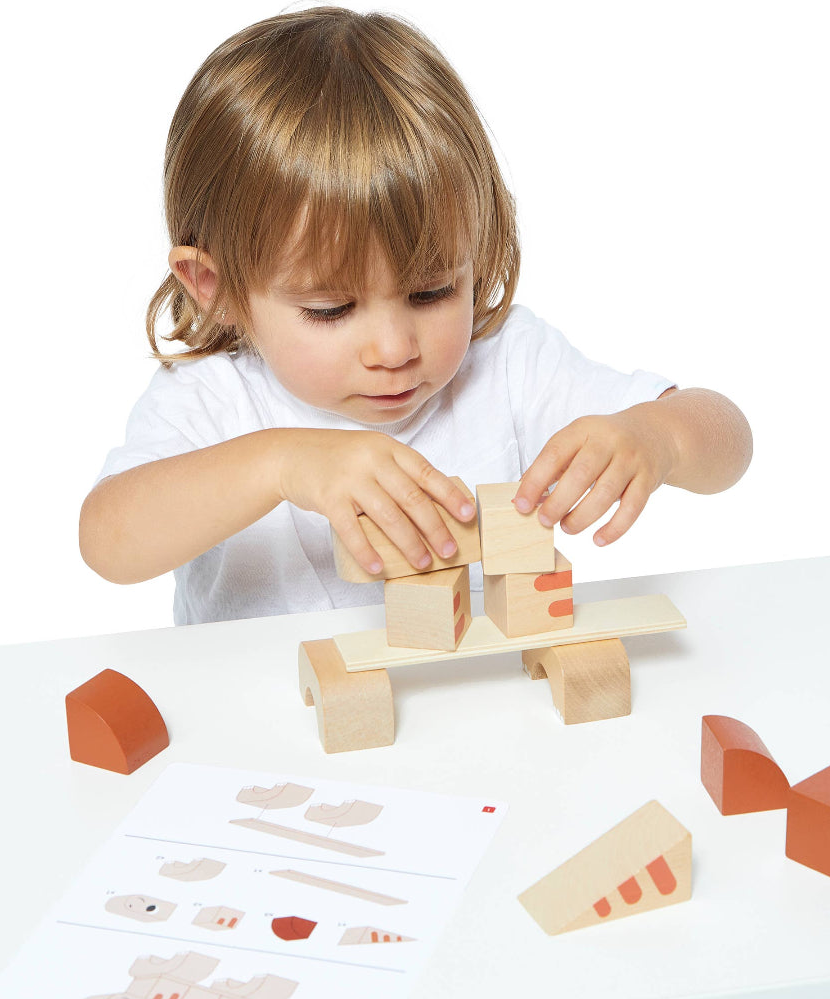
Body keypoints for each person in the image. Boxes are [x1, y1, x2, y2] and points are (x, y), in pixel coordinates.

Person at [80, 7, 752, 625]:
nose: (395, 347)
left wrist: (660, 437)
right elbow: (107, 542)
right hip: (271, 732)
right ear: (214, 285)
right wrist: (281, 464)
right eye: (331, 308)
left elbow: (730, 442)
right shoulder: (215, 402)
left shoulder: (509, 363)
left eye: (431, 292)